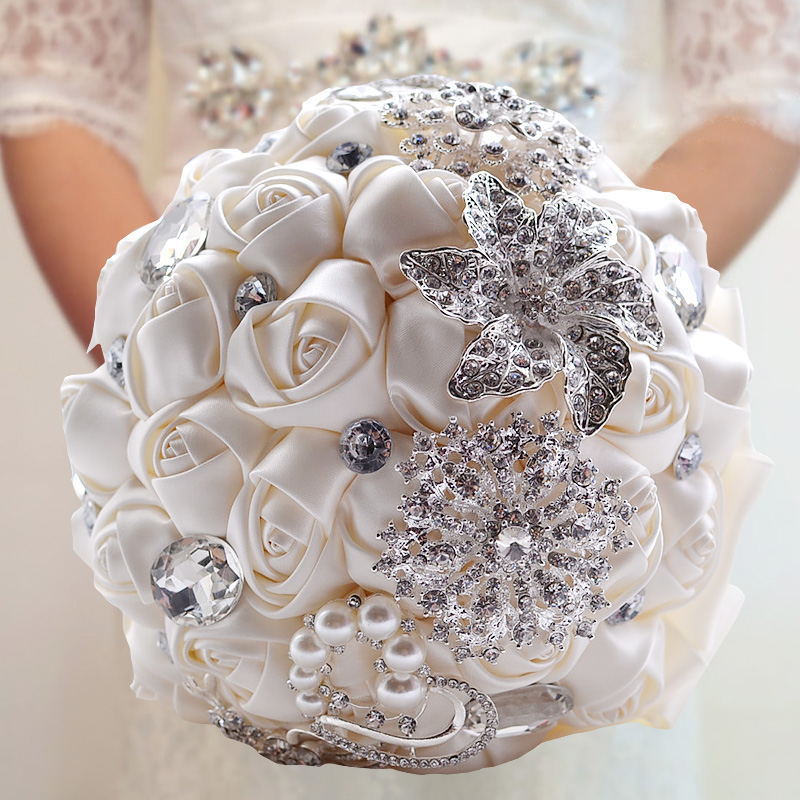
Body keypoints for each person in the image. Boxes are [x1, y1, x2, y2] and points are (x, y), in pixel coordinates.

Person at [0, 1, 797, 798]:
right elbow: (54, 91)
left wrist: (586, 305)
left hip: (565, 469)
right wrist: (172, 357)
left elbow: (760, 83)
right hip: (240, 455)